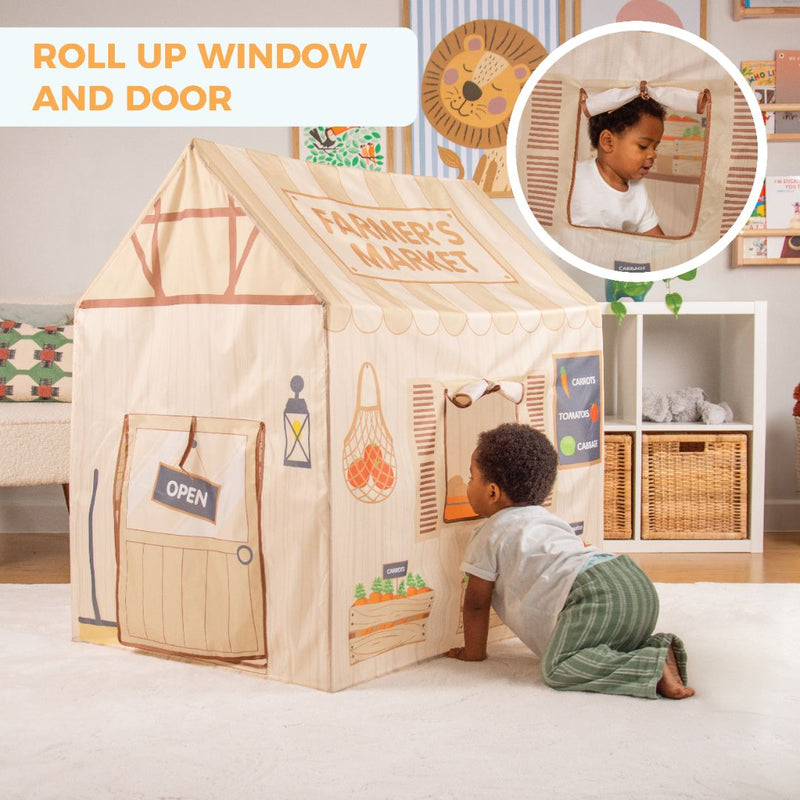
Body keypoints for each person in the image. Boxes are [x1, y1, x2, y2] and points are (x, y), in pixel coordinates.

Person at [447, 423, 694, 700]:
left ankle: (649, 666)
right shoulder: (548, 519)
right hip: (633, 583)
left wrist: (473, 654)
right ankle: (658, 647)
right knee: (600, 643)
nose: (467, 485)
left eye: (471, 478)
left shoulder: (488, 534)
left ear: (492, 492)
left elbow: (476, 603)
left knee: (558, 667)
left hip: (593, 593)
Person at [569, 95, 666, 236]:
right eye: (643, 146)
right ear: (608, 142)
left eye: (655, 147)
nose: (653, 154)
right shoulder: (574, 177)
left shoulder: (639, 192)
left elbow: (658, 243)